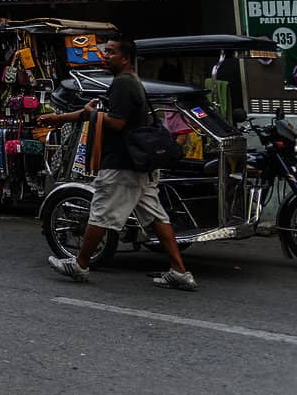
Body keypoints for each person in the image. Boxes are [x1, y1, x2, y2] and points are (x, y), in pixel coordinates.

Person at [40, 34, 197, 291]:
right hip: (138, 165)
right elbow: (99, 112)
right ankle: (179, 271)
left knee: (100, 213)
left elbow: (116, 122)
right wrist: (60, 119)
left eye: (111, 52)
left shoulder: (124, 84)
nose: (105, 56)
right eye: (105, 51)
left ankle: (80, 264)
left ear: (125, 58)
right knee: (156, 216)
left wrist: (93, 114)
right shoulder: (127, 82)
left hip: (123, 164)